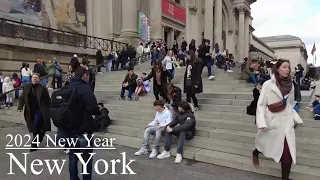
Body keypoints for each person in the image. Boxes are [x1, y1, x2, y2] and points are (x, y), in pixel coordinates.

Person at [253, 59, 303, 180]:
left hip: (286, 123)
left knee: (287, 153)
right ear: (278, 68)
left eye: (288, 67)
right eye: (284, 67)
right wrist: (261, 122)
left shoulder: (291, 85)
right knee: (266, 143)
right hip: (272, 120)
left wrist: (295, 118)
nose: (287, 69)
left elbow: (290, 104)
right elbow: (261, 105)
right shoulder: (268, 84)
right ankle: (256, 152)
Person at [66, 67, 99, 180]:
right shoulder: (86, 88)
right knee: (86, 158)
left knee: (73, 157)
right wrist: (97, 109)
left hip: (70, 129)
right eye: (88, 76)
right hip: (83, 128)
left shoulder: (67, 86)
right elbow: (93, 109)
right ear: (85, 75)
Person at [18, 73, 51, 152]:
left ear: (39, 79)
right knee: (36, 127)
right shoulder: (27, 87)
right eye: (33, 77)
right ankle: (40, 135)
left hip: (40, 110)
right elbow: (22, 98)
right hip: (30, 110)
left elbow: (48, 100)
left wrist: (50, 109)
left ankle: (34, 144)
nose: (34, 79)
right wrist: (20, 107)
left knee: (36, 125)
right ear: (31, 78)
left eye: (36, 78)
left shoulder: (43, 88)